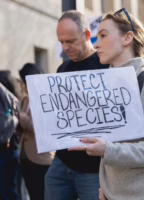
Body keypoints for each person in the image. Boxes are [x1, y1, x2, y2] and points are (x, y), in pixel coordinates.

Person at [69, 8, 144, 200]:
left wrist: (107, 150)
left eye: (103, 35)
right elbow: (110, 141)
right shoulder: (108, 86)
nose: (96, 45)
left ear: (127, 38)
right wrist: (106, 187)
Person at [45, 10, 109, 200]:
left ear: (88, 35)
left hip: (93, 168)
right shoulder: (62, 69)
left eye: (70, 41)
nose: (65, 47)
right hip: (62, 162)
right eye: (61, 42)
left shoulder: (106, 65)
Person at [19, 63, 54, 200]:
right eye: (22, 83)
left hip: (41, 158)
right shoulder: (25, 100)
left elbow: (46, 129)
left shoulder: (46, 99)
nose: (23, 87)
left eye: (25, 83)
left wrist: (24, 120)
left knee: (40, 194)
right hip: (25, 156)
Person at [0, 71, 20, 200]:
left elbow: (6, 121)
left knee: (6, 190)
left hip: (7, 150)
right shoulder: (13, 102)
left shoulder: (8, 103)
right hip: (11, 149)